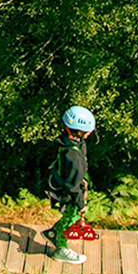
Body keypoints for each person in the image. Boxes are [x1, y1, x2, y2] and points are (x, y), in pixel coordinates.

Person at [42, 105, 95, 265]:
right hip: (70, 192)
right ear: (79, 131)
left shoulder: (67, 142)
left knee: (69, 217)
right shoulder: (73, 155)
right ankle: (61, 249)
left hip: (64, 186)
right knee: (71, 217)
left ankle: (53, 233)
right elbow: (73, 184)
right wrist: (81, 204)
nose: (90, 133)